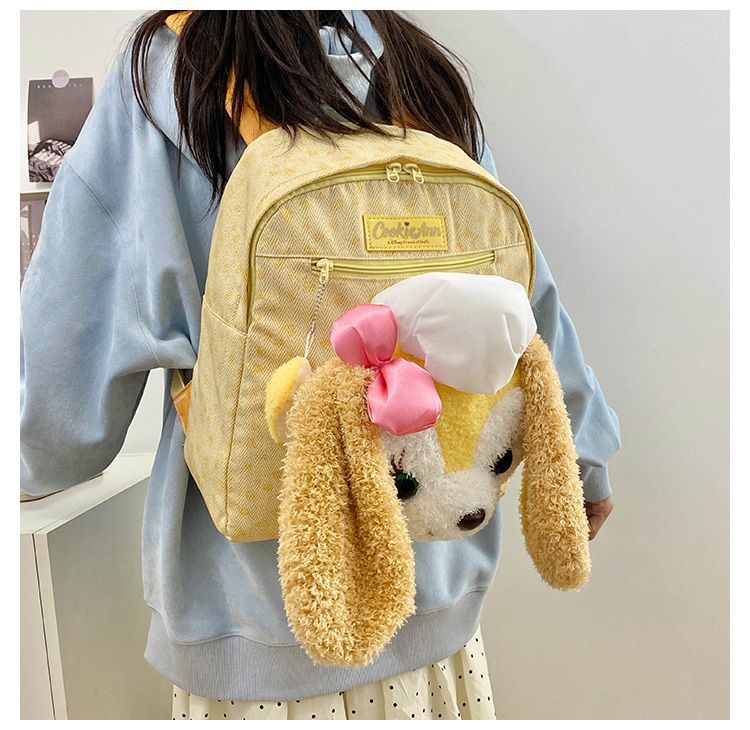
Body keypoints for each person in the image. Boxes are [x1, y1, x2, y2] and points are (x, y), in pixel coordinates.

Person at [20, 10, 621, 721]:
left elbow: (72, 341)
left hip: (249, 616)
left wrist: (33, 459)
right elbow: (519, 302)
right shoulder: (413, 68)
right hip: (433, 587)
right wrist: (582, 460)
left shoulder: (171, 68)